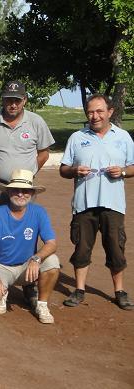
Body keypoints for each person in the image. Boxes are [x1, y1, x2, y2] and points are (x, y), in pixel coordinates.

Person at [60, 93, 134, 310]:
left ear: (110, 112)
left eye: (100, 111)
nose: (95, 116)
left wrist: (121, 172)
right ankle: (79, 290)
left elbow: (133, 166)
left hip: (114, 205)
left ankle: (119, 291)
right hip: (84, 205)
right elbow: (64, 169)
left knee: (115, 248)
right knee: (82, 248)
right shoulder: (76, 138)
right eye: (91, 112)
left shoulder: (123, 137)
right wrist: (75, 170)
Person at [0, 169, 60, 324]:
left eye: (26, 191)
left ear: (32, 193)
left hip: (27, 266)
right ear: (9, 192)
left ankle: (42, 305)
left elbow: (51, 243)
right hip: (1, 266)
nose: (21, 194)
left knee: (53, 262)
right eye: (16, 190)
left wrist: (36, 259)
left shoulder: (39, 212)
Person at [0, 80, 55, 213]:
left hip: (24, 187)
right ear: (3, 100)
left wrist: (28, 172)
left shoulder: (36, 121)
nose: (13, 105)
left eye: (17, 100)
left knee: (22, 226)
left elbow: (44, 154)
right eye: (9, 100)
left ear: (24, 100)